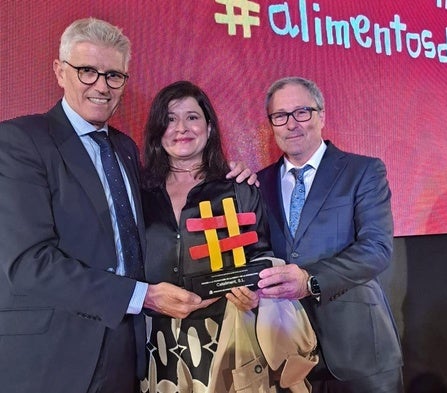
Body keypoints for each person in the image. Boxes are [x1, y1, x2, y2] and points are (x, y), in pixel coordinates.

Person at [0, 18, 253, 393]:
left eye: (114, 75)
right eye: (87, 71)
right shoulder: (20, 140)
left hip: (130, 349)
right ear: (59, 71)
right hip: (52, 353)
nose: (101, 86)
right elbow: (27, 263)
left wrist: (229, 172)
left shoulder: (125, 150)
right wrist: (144, 296)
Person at [140, 80, 317, 393]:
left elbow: (260, 253)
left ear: (209, 128)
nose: (181, 128)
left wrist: (256, 291)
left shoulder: (238, 187)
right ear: (157, 130)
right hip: (155, 338)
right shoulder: (138, 191)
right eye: (170, 119)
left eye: (192, 117)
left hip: (225, 336)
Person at [257, 76, 404, 393]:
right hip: (288, 352)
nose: (292, 124)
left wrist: (309, 280)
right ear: (271, 124)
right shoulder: (259, 183)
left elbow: (376, 249)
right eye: (280, 116)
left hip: (359, 350)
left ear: (321, 115)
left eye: (302, 112)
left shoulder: (363, 171)